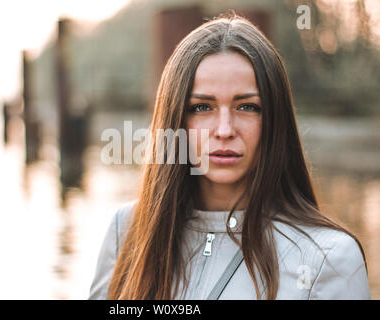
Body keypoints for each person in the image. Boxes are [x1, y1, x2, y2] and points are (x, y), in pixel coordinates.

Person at [89, 13, 371, 300]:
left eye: (247, 107)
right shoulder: (126, 231)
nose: (224, 130)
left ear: (275, 119)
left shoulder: (329, 258)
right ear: (175, 120)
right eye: (201, 107)